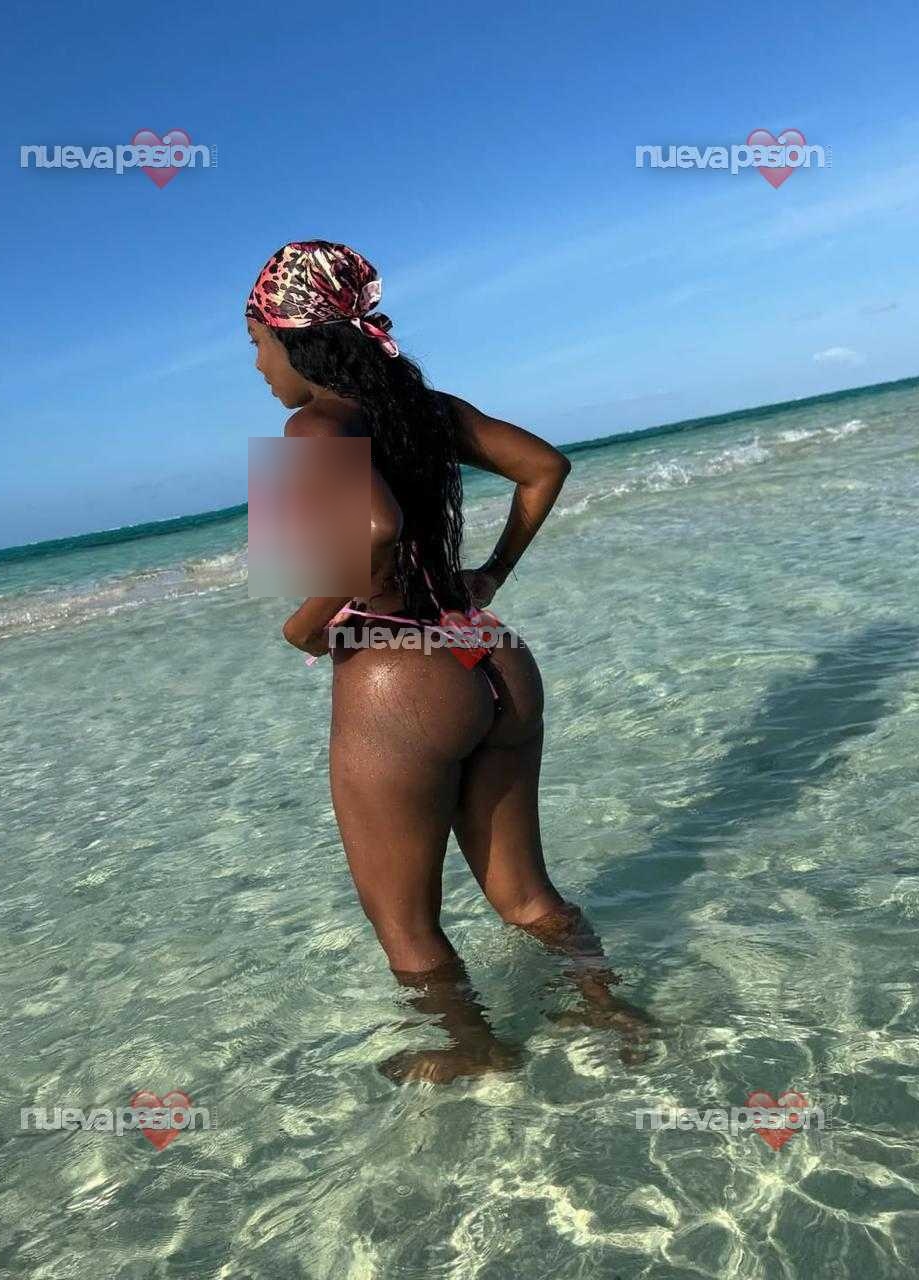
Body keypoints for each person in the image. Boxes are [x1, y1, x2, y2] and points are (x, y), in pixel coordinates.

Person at [246, 241, 650, 1083]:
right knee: (526, 895)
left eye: (256, 343)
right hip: (490, 654)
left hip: (398, 672)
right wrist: (492, 573)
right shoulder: (425, 408)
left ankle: (477, 1051)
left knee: (403, 923)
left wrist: (306, 624)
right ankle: (606, 1008)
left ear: (291, 336)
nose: (257, 366)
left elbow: (376, 530)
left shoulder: (312, 425)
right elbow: (544, 467)